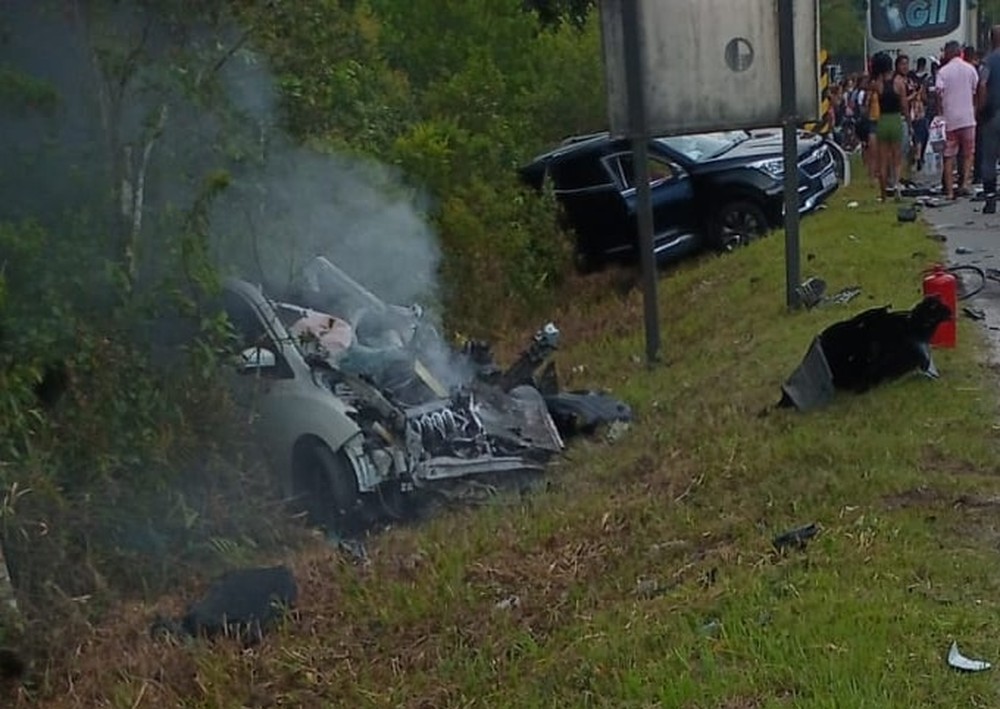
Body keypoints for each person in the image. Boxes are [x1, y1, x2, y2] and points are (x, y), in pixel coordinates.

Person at [935, 41, 980, 199]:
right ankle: (965, 184)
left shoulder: (943, 72)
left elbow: (938, 93)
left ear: (947, 53)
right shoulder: (970, 69)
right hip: (968, 118)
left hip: (950, 120)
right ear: (959, 52)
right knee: (968, 154)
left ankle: (949, 191)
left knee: (949, 156)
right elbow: (976, 90)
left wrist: (940, 113)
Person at [871, 51, 907, 200]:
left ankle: (884, 193)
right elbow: (904, 104)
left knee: (883, 160)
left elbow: (866, 92)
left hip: (883, 121)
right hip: (896, 119)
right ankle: (897, 185)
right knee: (897, 158)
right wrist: (908, 120)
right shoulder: (899, 81)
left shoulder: (877, 84)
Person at [978, 26, 1000, 214]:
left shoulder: (988, 61)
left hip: (993, 114)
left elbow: (983, 84)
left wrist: (981, 108)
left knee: (989, 158)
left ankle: (990, 199)